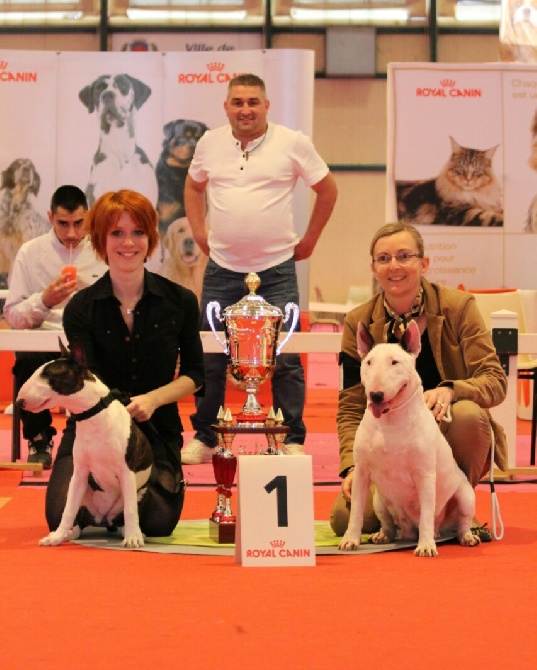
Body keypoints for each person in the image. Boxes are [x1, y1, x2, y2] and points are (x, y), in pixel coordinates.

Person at [181, 72, 338, 464]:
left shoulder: (293, 142)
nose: (245, 109)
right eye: (238, 102)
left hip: (277, 269)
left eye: (253, 102)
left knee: (286, 356)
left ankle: (291, 436)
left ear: (267, 106)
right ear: (226, 107)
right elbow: (193, 185)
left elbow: (327, 189)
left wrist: (311, 242)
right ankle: (205, 436)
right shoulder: (209, 143)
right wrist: (200, 232)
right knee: (210, 356)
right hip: (222, 268)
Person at [331, 222, 508, 539]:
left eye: (404, 256)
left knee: (469, 416)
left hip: (446, 432)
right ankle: (406, 514)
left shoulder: (459, 308)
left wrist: (451, 390)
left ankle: (456, 511)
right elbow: (349, 405)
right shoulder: (358, 322)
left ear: (424, 264)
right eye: (383, 259)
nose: (394, 266)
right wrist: (351, 466)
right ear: (373, 268)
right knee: (345, 521)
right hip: (386, 445)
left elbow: (495, 381)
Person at [45, 189, 204, 537]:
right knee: (57, 515)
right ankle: (111, 509)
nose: (128, 243)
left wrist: (154, 399)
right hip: (91, 433)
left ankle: (119, 508)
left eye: (138, 232)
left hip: (156, 431)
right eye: (117, 233)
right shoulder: (80, 308)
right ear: (101, 240)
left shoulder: (181, 301)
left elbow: (195, 373)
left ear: (151, 239)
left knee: (158, 523)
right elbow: (80, 381)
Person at [3, 185, 107, 469]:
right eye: (63, 224)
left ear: (89, 217)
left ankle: (90, 440)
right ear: (50, 217)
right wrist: (44, 300)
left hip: (89, 340)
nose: (72, 233)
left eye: (78, 223)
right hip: (44, 338)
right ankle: (39, 438)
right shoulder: (30, 252)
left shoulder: (102, 251)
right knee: (27, 362)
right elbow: (12, 315)